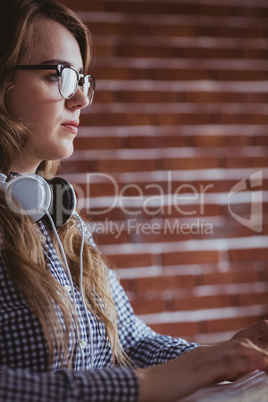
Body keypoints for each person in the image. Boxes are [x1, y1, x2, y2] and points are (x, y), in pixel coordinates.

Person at [0, 0, 268, 401]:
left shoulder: (61, 220)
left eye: (83, 80)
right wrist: (145, 386)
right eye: (60, 76)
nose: (81, 100)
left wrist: (218, 358)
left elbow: (130, 342)